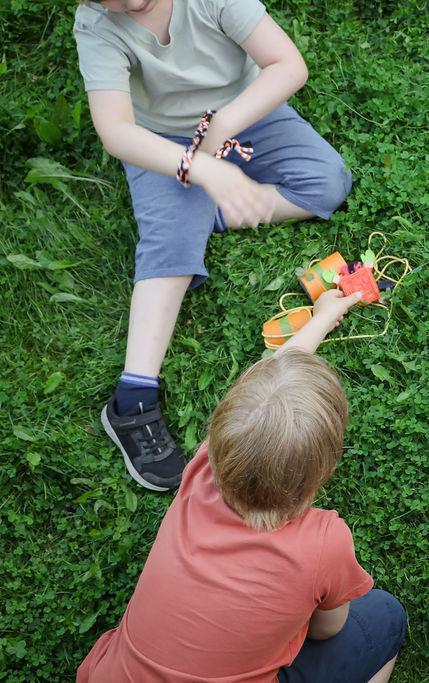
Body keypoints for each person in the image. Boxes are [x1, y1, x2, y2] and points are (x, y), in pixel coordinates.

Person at [74, 0, 353, 490]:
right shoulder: (97, 24)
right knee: (169, 245)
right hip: (160, 142)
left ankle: (206, 214)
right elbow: (117, 130)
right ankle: (132, 397)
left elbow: (288, 65)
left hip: (244, 114)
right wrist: (198, 166)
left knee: (327, 184)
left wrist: (221, 128)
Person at [76, 290, 406, 682]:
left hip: (112, 675)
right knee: (385, 616)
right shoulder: (324, 543)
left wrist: (321, 319)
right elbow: (325, 630)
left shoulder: (202, 469)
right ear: (324, 469)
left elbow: (268, 383)